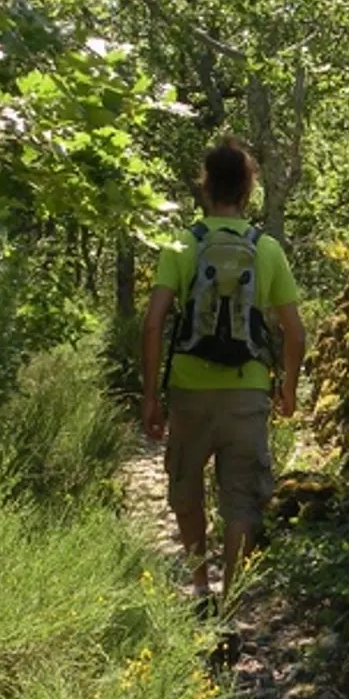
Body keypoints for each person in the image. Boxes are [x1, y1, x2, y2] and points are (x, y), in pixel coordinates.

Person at [140, 140, 305, 610]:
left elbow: (154, 323)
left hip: (190, 390)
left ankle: (198, 587)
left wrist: (151, 395)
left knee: (185, 487)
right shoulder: (266, 249)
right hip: (248, 391)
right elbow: (294, 332)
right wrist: (287, 387)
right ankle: (230, 606)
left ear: (205, 186)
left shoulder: (182, 244)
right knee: (242, 500)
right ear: (248, 189)